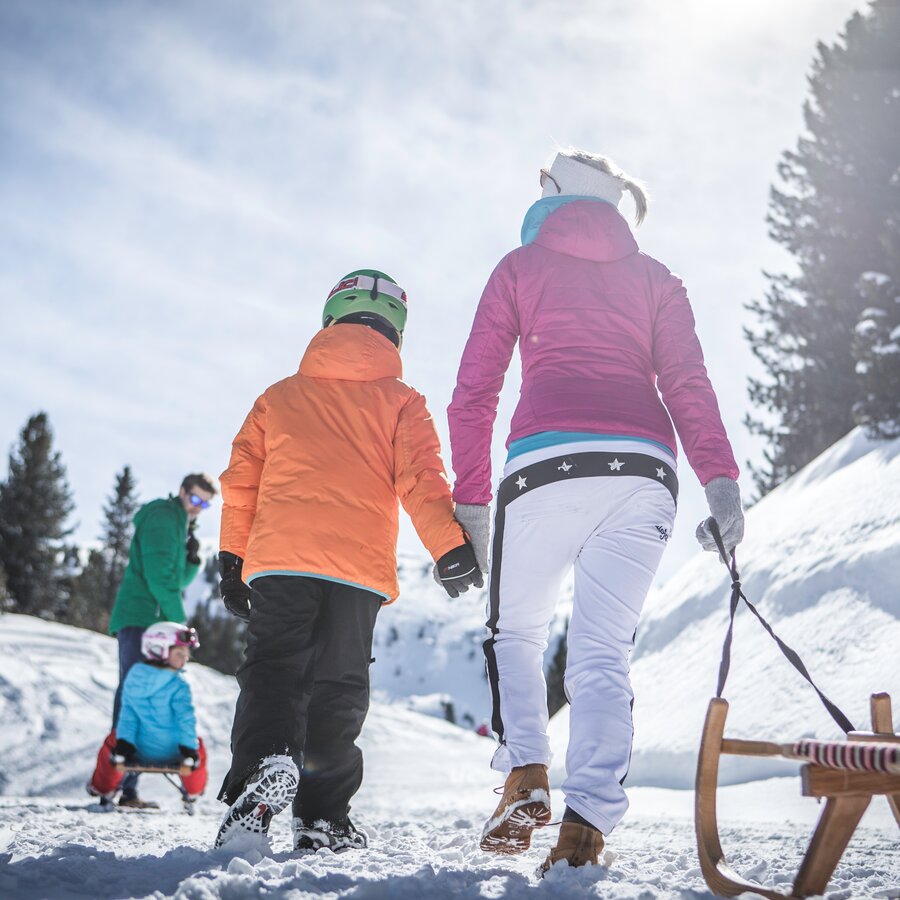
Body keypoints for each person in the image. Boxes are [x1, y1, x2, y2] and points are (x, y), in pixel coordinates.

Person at [447, 148, 744, 872]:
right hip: (644, 469)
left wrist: (473, 503)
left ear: (553, 193)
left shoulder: (519, 269)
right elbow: (688, 383)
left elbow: (474, 392)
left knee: (515, 633)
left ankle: (525, 773)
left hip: (545, 463)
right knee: (604, 653)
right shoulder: (657, 278)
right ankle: (584, 826)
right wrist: (721, 482)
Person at [214, 269, 482, 852]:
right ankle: (323, 816)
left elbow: (242, 487)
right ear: (396, 335)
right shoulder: (403, 402)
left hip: (281, 559)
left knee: (275, 670)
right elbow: (422, 482)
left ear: (329, 321)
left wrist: (232, 559)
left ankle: (265, 764)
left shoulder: (279, 396)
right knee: (339, 685)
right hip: (357, 570)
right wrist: (449, 547)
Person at [107, 472, 216, 807]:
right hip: (143, 618)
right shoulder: (163, 518)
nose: (198, 508)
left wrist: (192, 560)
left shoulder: (179, 524)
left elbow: (176, 576)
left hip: (151, 619)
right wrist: (178, 628)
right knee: (135, 693)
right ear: (182, 492)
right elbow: (159, 578)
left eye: (205, 504)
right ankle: (117, 781)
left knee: (150, 694)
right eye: (194, 499)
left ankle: (128, 787)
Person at [88, 621, 208, 804]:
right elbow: (186, 719)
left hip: (137, 749)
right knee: (198, 745)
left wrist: (124, 744)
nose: (184, 659)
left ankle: (103, 788)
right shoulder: (179, 684)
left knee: (111, 743)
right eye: (179, 653)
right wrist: (189, 749)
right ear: (158, 649)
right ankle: (193, 790)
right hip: (174, 751)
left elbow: (129, 715)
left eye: (186, 654)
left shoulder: (134, 676)